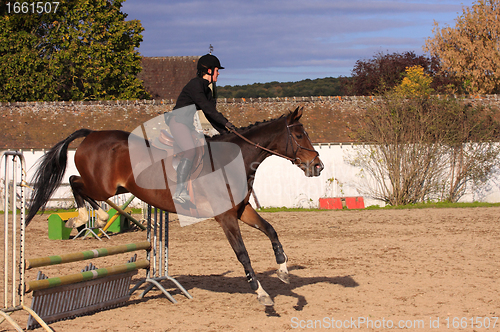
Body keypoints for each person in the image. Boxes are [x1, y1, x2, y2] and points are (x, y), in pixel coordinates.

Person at [166, 54, 235, 204]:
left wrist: (228, 134)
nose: (219, 73)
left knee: (205, 147)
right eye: (217, 70)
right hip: (177, 122)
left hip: (187, 125)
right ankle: (179, 191)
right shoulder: (195, 85)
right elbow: (209, 110)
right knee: (190, 150)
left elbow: (211, 116)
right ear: (209, 70)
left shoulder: (207, 91)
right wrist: (228, 124)